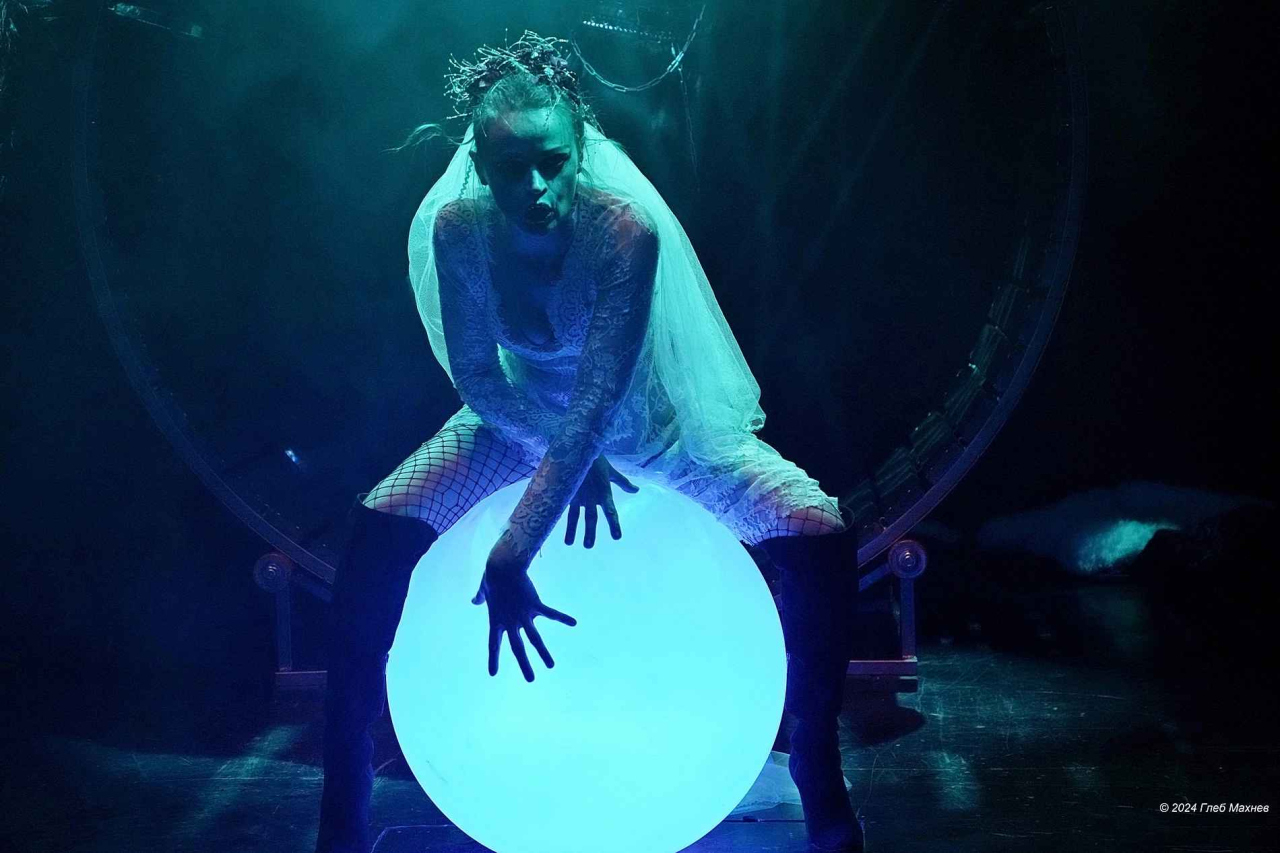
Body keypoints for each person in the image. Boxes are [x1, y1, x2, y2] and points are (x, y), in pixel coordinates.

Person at [315, 31, 863, 853]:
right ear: (479, 163)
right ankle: (342, 804)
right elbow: (478, 378)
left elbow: (601, 404)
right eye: (512, 168)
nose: (535, 186)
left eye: (552, 162)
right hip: (516, 421)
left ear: (580, 152)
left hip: (648, 429)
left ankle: (817, 757)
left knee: (817, 529)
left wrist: (513, 549)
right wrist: (554, 459)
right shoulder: (459, 232)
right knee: (375, 530)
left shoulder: (624, 232)